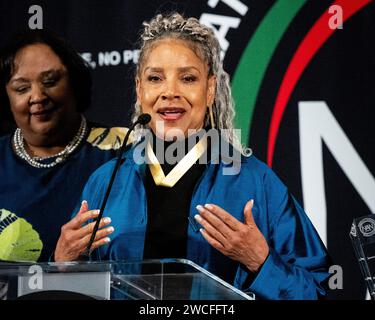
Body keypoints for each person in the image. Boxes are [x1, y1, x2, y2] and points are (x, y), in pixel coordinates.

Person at [55, 13, 330, 300]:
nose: (170, 92)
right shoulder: (106, 181)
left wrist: (260, 262)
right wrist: (61, 264)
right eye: (155, 78)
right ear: (140, 88)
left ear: (210, 89)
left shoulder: (254, 181)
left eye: (187, 78)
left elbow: (317, 291)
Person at [0, 30, 127, 262]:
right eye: (21, 88)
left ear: (74, 83)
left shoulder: (123, 149)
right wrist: (57, 266)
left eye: (50, 81)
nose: (37, 96)